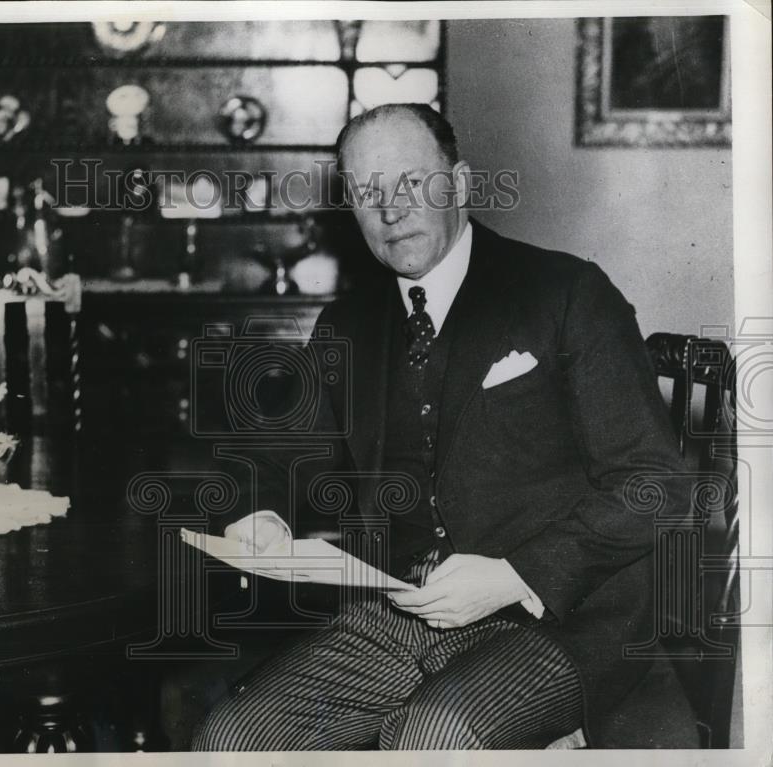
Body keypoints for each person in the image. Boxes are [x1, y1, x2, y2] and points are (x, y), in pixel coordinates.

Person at [191, 103, 691, 750]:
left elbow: (655, 484)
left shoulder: (565, 293)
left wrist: (517, 573)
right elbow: (276, 458)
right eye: (367, 193)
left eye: (409, 182)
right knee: (229, 737)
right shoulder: (347, 324)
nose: (390, 209)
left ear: (456, 183)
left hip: (562, 616)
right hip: (400, 610)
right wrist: (256, 514)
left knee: (430, 734)